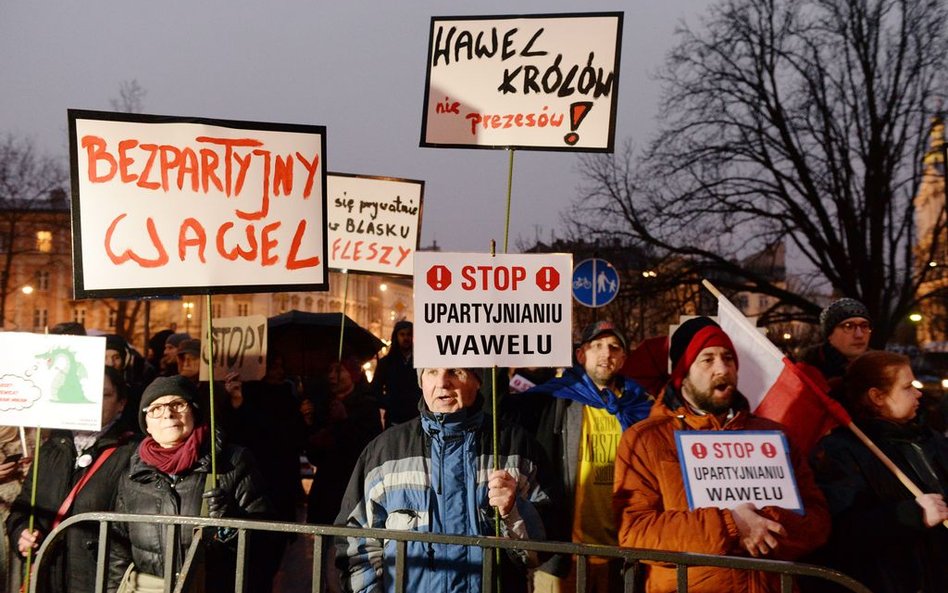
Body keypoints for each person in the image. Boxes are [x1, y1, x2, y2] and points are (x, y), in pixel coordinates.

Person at [613, 317, 830, 593]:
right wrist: (731, 525)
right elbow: (635, 532)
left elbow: (818, 522)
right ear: (683, 373)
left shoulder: (775, 436)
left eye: (728, 358)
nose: (722, 368)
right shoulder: (645, 440)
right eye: (707, 359)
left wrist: (763, 524)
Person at [335, 366, 557, 593]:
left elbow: (545, 545)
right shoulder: (384, 451)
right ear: (421, 380)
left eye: (455, 371)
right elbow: (355, 541)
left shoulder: (517, 446)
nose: (442, 382)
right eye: (431, 371)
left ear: (478, 380)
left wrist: (514, 512)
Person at [508, 321, 652, 592]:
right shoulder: (556, 398)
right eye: (596, 346)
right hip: (565, 555)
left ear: (623, 358)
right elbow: (505, 412)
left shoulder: (641, 408)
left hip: (622, 556)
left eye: (613, 347)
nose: (605, 353)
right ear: (580, 355)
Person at [107, 375, 272, 593]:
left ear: (194, 411)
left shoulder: (231, 462)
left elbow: (265, 539)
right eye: (156, 408)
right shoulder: (133, 473)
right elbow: (118, 551)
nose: (167, 414)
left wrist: (231, 524)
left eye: (177, 404)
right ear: (146, 423)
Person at [810, 351, 948, 593]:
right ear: (877, 396)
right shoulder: (842, 451)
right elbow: (843, 532)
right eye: (907, 387)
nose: (918, 393)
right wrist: (911, 514)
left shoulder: (928, 439)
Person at [6, 367, 137, 593]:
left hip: (98, 581)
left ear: (121, 403)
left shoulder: (131, 452)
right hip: (48, 578)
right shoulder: (52, 446)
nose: (94, 402)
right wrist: (22, 533)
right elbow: (23, 506)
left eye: (104, 395)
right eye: (87, 394)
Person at [801, 298, 872, 393]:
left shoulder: (883, 368)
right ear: (830, 335)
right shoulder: (805, 370)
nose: (859, 335)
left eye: (864, 326)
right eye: (848, 326)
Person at [371, 320, 422, 427]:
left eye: (409, 334)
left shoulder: (421, 362)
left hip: (417, 418)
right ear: (396, 336)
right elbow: (375, 389)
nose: (406, 338)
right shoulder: (386, 362)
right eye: (402, 334)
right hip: (394, 419)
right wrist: (389, 403)